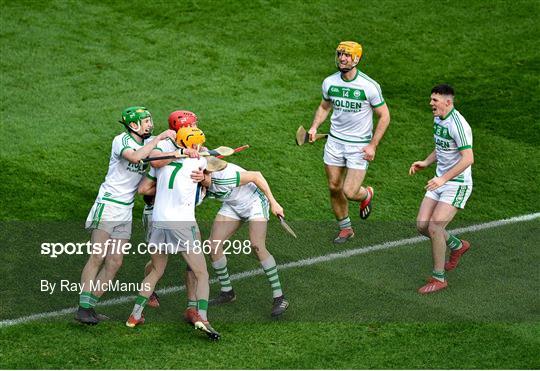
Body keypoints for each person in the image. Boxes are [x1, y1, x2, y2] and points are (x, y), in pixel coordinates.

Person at [76, 106, 176, 325]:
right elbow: (135, 157)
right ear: (133, 125)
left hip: (125, 209)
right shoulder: (121, 141)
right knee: (97, 256)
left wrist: (183, 153)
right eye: (146, 121)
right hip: (108, 205)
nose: (151, 124)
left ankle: (90, 305)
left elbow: (159, 160)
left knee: (115, 261)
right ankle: (83, 307)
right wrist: (158, 139)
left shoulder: (149, 145)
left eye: (150, 120)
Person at [127, 126, 220, 340]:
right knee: (202, 273)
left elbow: (154, 164)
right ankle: (203, 318)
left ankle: (134, 315)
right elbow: (213, 170)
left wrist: (186, 150)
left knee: (156, 270)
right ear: (193, 144)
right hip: (182, 224)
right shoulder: (199, 162)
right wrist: (202, 155)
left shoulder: (162, 162)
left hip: (158, 221)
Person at [308, 41, 391, 244]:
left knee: (350, 191)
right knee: (334, 187)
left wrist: (373, 145)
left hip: (358, 147)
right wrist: (314, 127)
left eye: (347, 55)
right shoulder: (330, 82)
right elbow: (324, 107)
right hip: (335, 143)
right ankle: (346, 229)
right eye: (340, 54)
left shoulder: (369, 86)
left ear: (357, 59)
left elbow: (384, 116)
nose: (342, 58)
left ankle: (365, 195)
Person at [187, 161, 289, 318]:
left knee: (257, 245)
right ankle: (227, 291)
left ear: (207, 174)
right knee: (213, 246)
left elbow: (256, 175)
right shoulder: (195, 182)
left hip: (254, 202)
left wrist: (274, 203)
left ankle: (279, 297)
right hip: (233, 205)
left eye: (203, 180)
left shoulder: (224, 179)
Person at [409, 84, 474, 294]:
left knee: (435, 227)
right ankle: (457, 245)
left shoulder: (459, 125)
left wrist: (443, 179)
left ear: (448, 102)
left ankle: (439, 278)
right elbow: (441, 146)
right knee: (422, 226)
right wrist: (426, 163)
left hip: (457, 183)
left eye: (435, 100)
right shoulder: (438, 118)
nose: (431, 103)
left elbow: (468, 158)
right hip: (440, 180)